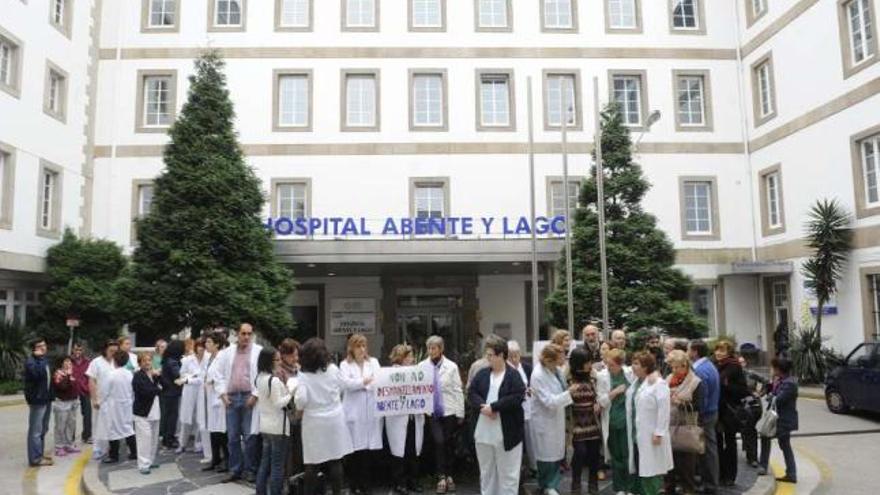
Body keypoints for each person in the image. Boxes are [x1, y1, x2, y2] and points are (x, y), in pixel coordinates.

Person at [468, 335, 526, 494]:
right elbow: (472, 392)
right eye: (487, 355)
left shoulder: (513, 375)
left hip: (507, 434)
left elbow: (517, 396)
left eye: (490, 355)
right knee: (487, 473)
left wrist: (494, 407)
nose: (487, 358)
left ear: (501, 355)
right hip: (484, 433)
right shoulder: (482, 374)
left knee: (508, 475)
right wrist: (483, 408)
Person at [295, 338, 353, 495]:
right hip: (334, 418)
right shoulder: (333, 369)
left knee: (313, 463)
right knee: (336, 460)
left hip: (314, 422)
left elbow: (301, 400)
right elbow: (344, 386)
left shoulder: (304, 376)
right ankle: (336, 492)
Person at [216, 323, 264, 484]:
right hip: (231, 398)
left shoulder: (258, 351)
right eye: (243, 333)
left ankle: (251, 470)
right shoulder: (227, 353)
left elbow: (263, 374)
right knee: (232, 437)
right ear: (237, 334)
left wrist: (256, 395)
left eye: (249, 334)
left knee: (250, 437)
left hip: (249, 397)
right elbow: (218, 374)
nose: (246, 337)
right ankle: (235, 469)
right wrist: (222, 394)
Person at [337, 333, 383, 495]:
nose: (362, 349)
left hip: (370, 411)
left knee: (368, 452)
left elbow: (379, 381)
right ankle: (354, 484)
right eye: (358, 346)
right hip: (354, 412)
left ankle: (366, 485)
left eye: (364, 346)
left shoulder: (374, 362)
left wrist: (363, 384)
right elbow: (346, 385)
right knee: (354, 451)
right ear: (352, 348)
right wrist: (364, 382)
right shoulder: (344, 365)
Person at [419, 335, 465, 494]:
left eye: (434, 348)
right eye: (429, 348)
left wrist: (460, 413)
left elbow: (458, 390)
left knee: (448, 442)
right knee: (439, 441)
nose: (431, 351)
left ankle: (449, 475)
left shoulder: (451, 366)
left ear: (441, 349)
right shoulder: (422, 366)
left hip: (449, 410)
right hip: (432, 411)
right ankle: (441, 476)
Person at [530, 343, 577, 495]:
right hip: (544, 420)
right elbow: (549, 402)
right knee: (546, 455)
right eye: (562, 355)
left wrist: (567, 393)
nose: (565, 357)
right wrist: (569, 393)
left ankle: (552, 484)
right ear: (550, 359)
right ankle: (546, 485)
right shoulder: (538, 375)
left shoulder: (557, 370)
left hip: (556, 419)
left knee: (556, 453)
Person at [626, 351, 673, 495]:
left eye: (636, 364)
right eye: (632, 363)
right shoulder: (637, 382)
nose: (632, 367)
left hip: (652, 435)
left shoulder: (659, 384)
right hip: (637, 433)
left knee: (651, 471)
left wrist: (659, 433)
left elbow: (664, 411)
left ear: (646, 367)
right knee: (642, 467)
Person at [385, 344, 425, 495]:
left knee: (412, 450)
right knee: (398, 451)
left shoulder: (417, 373)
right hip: (397, 418)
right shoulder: (390, 374)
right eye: (408, 357)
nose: (412, 359)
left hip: (414, 417)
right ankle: (398, 483)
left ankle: (413, 482)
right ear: (401, 358)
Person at [596, 348, 635, 494]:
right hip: (611, 421)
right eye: (607, 364)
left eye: (612, 365)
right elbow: (601, 401)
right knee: (616, 456)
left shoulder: (630, 373)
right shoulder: (602, 376)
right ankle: (619, 488)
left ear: (620, 364)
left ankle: (629, 488)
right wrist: (614, 392)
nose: (608, 367)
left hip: (627, 421)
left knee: (628, 455)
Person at [255, 348, 294, 495]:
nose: (280, 362)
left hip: (265, 425)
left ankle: (260, 491)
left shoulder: (259, 378)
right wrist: (291, 393)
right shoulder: (274, 380)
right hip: (278, 426)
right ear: (268, 362)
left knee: (265, 462)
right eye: (276, 360)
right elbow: (279, 403)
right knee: (277, 465)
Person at [665, 350, 703, 495]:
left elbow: (699, 406)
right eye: (672, 367)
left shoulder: (695, 382)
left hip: (686, 428)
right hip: (669, 427)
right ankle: (670, 489)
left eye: (677, 367)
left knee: (687, 465)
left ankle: (689, 490)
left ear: (685, 365)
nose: (674, 370)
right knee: (669, 465)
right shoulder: (668, 378)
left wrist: (679, 403)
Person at [758, 357, 799, 485]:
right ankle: (789, 473)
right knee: (778, 442)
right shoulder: (780, 380)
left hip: (783, 420)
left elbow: (778, 399)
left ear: (779, 370)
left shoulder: (789, 384)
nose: (771, 370)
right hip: (778, 419)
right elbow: (771, 391)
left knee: (782, 444)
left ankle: (789, 473)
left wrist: (771, 396)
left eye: (773, 368)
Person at [714, 340, 749, 487]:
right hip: (718, 410)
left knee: (730, 443)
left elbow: (743, 390)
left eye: (722, 351)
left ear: (729, 352)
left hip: (729, 410)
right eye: (717, 350)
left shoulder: (734, 366)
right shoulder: (716, 365)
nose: (718, 353)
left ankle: (730, 476)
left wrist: (727, 386)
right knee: (717, 443)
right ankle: (720, 474)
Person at [568, 347, 602, 494]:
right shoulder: (568, 377)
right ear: (578, 362)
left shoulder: (593, 376)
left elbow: (599, 394)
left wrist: (598, 403)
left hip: (592, 422)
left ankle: (593, 484)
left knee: (594, 454)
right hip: (576, 423)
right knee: (580, 453)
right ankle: (576, 483)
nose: (590, 365)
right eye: (587, 362)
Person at [688, 339, 720, 495]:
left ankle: (710, 484)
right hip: (712, 412)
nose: (688, 353)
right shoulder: (709, 366)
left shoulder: (700, 370)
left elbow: (703, 397)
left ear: (694, 351)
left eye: (689, 350)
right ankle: (710, 482)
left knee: (707, 451)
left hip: (706, 415)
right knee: (709, 449)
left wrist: (699, 417)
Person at [102, 350, 137, 464]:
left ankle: (114, 455)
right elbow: (133, 390)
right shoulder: (129, 374)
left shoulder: (111, 374)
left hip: (114, 405)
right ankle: (134, 452)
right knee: (128, 428)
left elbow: (105, 391)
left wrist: (102, 401)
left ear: (114, 360)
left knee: (113, 429)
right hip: (127, 403)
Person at [179, 338, 211, 459]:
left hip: (202, 390)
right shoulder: (187, 360)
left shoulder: (209, 359)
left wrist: (192, 378)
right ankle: (182, 443)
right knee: (186, 417)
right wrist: (193, 377)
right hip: (189, 390)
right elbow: (182, 374)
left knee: (200, 417)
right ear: (196, 347)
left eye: (203, 346)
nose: (201, 348)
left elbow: (205, 376)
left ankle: (198, 443)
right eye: (199, 346)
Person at [507, 340, 535, 474]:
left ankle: (532, 466)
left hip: (529, 408)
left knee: (530, 439)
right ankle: (519, 468)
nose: (513, 359)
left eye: (516, 355)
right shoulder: (505, 370)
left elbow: (533, 385)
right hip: (513, 410)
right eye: (510, 356)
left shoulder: (527, 368)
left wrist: (530, 390)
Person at [202, 332, 229, 473]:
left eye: (209, 342)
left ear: (217, 344)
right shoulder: (210, 357)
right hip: (210, 396)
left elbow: (223, 375)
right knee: (213, 429)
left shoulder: (222, 357)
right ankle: (215, 458)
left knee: (221, 430)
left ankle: (227, 460)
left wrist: (213, 382)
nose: (206, 344)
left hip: (219, 397)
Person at [87, 339, 118, 459]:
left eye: (115, 351)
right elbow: (91, 381)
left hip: (114, 400)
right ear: (105, 350)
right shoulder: (96, 362)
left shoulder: (116, 362)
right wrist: (94, 399)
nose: (113, 353)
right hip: (100, 400)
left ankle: (109, 448)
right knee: (98, 425)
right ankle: (97, 448)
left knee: (112, 425)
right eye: (111, 351)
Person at [277, 338, 303, 482]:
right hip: (286, 415)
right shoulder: (279, 372)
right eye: (292, 355)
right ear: (284, 355)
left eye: (297, 355)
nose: (295, 359)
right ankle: (287, 481)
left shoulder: (298, 368)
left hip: (299, 414)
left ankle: (298, 479)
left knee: (299, 449)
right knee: (287, 450)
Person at [132, 352, 162, 474]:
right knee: (144, 439)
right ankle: (143, 465)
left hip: (154, 411)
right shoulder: (138, 376)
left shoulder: (154, 375)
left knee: (154, 439)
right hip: (142, 413)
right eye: (144, 360)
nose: (147, 362)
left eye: (149, 360)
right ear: (140, 363)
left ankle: (150, 461)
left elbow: (162, 385)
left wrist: (157, 380)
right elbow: (145, 391)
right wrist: (158, 389)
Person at [24, 337, 53, 467]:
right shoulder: (31, 362)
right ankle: (35, 459)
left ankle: (39, 454)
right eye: (40, 346)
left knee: (43, 428)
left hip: (46, 399)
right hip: (37, 400)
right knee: (35, 430)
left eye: (44, 345)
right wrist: (38, 359)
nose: (43, 348)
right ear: (34, 349)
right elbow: (37, 375)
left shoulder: (44, 360)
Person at [740, 355, 768, 467]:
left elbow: (767, 382)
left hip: (753, 406)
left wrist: (760, 393)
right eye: (738, 363)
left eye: (742, 362)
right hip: (741, 406)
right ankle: (748, 451)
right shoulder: (734, 375)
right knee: (745, 429)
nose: (741, 365)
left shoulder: (751, 374)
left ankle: (753, 457)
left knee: (750, 430)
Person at [52, 356, 81, 457]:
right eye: (66, 361)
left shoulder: (72, 373)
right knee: (61, 425)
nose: (68, 363)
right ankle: (59, 446)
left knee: (71, 424)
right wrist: (68, 376)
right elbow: (62, 387)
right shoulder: (58, 374)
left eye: (70, 361)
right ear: (61, 363)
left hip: (73, 402)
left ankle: (69, 444)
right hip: (62, 402)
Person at [159, 339, 184, 450]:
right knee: (171, 417)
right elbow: (178, 375)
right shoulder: (173, 361)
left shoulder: (167, 359)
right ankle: (169, 438)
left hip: (166, 391)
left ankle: (166, 438)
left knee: (167, 416)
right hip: (172, 392)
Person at [71, 342, 93, 444]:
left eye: (80, 350)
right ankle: (70, 437)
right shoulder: (69, 361)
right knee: (71, 415)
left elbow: (91, 377)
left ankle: (87, 436)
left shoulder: (88, 362)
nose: (78, 352)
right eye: (76, 350)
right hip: (72, 390)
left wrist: (90, 389)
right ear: (73, 350)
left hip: (85, 390)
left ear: (83, 351)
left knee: (87, 414)